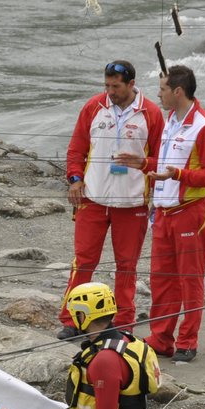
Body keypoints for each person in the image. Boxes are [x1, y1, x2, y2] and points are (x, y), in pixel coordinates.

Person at [56, 60, 163, 340]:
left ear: (131, 84)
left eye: (116, 86)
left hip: (132, 203)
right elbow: (76, 147)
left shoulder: (150, 113)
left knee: (126, 265)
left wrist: (144, 162)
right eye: (107, 85)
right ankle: (71, 319)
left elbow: (162, 160)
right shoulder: (94, 106)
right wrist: (75, 179)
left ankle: (124, 322)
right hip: (92, 199)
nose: (110, 91)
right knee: (83, 261)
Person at [145, 64, 205, 363]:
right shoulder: (170, 119)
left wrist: (176, 175)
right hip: (164, 213)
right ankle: (160, 338)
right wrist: (143, 163)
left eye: (163, 89)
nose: (159, 94)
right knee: (161, 279)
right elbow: (166, 163)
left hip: (191, 212)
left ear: (178, 91)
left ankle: (187, 341)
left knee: (189, 279)